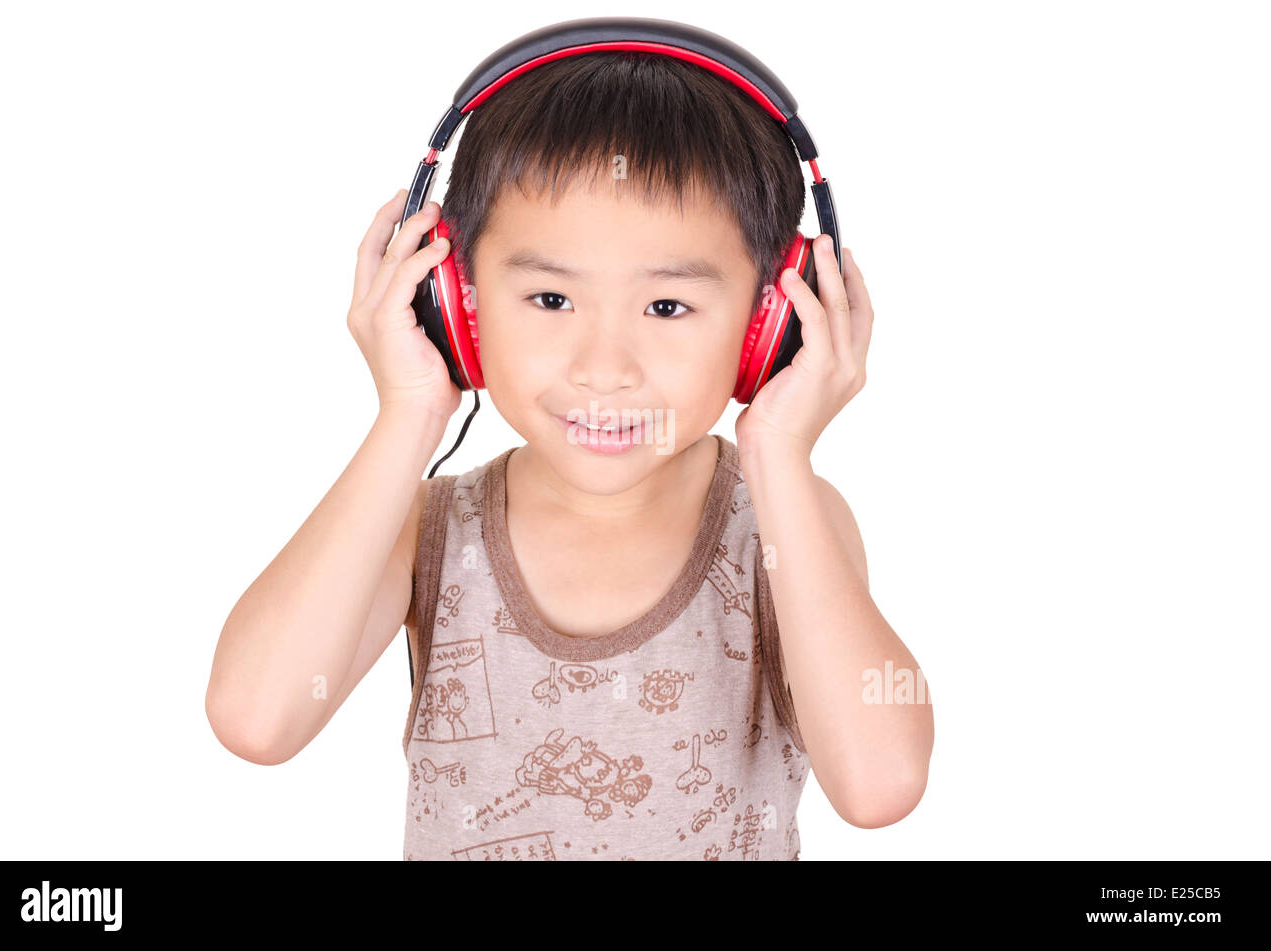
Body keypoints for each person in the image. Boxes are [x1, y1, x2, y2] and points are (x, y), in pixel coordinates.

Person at [205, 51, 932, 860]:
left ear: (772, 321)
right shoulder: (429, 530)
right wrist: (409, 412)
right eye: (550, 298)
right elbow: (257, 720)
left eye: (668, 304)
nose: (604, 367)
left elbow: (877, 786)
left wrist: (782, 450)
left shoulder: (783, 523)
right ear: (454, 300)